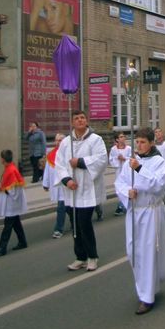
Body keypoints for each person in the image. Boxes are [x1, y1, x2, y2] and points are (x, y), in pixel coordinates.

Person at [114, 128, 165, 315]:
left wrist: (139, 169)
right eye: (136, 141)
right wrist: (126, 192)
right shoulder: (130, 161)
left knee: (147, 254)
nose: (139, 145)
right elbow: (119, 183)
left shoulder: (158, 161)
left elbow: (158, 185)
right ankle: (149, 286)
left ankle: (146, 297)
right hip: (134, 211)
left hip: (150, 211)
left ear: (151, 143)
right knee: (133, 252)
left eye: (143, 142)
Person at [55, 110, 108, 272]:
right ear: (72, 122)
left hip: (87, 190)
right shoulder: (65, 143)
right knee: (75, 226)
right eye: (76, 118)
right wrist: (67, 180)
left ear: (86, 121)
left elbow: (101, 160)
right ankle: (80, 257)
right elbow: (60, 164)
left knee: (84, 224)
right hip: (72, 191)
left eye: (82, 118)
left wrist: (80, 162)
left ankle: (92, 256)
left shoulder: (95, 140)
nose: (80, 120)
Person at [0, 150, 28, 256]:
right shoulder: (10, 168)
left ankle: (2, 247)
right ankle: (22, 242)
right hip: (11, 201)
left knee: (7, 225)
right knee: (16, 223)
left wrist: (3, 188)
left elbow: (15, 189)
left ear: (3, 159)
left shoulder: (11, 170)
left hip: (12, 202)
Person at [43, 133, 72, 238]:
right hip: (57, 186)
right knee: (67, 208)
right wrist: (45, 183)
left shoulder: (69, 153)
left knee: (61, 207)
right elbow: (47, 170)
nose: (57, 142)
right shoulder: (51, 155)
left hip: (66, 185)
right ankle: (74, 223)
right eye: (56, 140)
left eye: (60, 140)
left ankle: (58, 230)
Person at [109, 132, 132, 216]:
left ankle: (121, 207)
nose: (123, 138)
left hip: (127, 172)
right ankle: (123, 205)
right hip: (118, 171)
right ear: (117, 139)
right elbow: (111, 159)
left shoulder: (129, 148)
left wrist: (124, 158)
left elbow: (132, 158)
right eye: (121, 137)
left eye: (123, 136)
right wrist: (117, 160)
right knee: (120, 188)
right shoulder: (113, 149)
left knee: (127, 188)